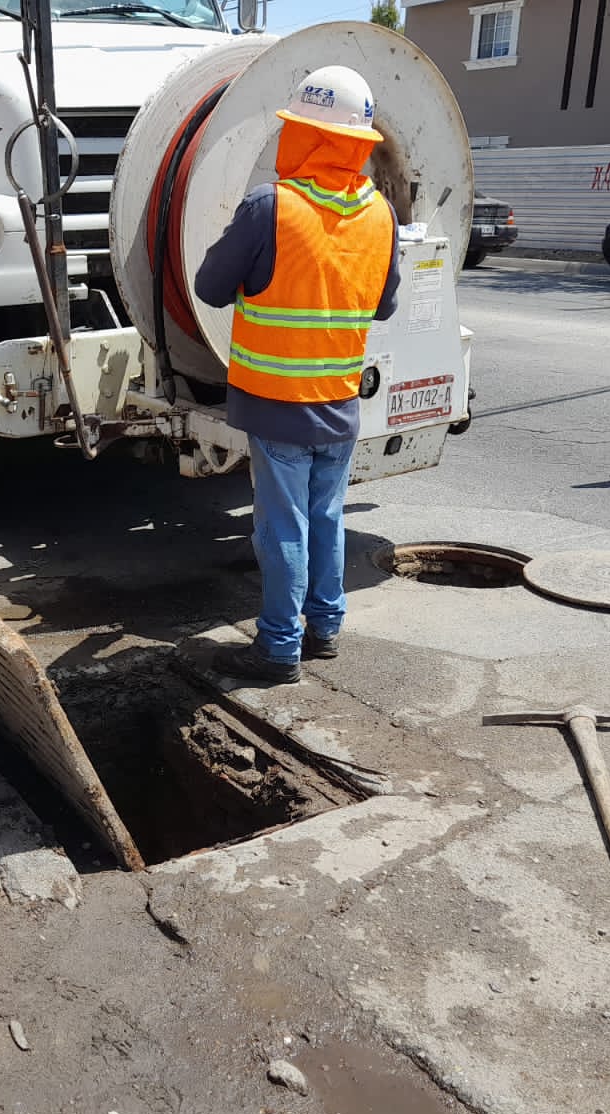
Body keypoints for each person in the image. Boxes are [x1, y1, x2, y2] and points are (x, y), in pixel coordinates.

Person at [194, 66, 401, 686]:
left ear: (305, 138)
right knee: (327, 518)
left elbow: (209, 286)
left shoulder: (270, 207)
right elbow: (384, 304)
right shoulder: (380, 213)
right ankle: (325, 628)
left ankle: (279, 650)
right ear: (359, 144)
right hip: (339, 401)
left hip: (277, 403)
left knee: (282, 526)